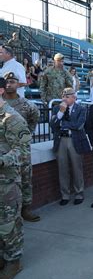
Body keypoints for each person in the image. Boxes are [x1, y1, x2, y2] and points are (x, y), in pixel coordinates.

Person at [0, 77, 31, 279]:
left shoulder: (12, 118)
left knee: (8, 224)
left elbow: (23, 151)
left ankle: (14, 262)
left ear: (1, 91)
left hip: (7, 182)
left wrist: (1, 160)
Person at [3, 72, 40, 221]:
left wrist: (26, 135)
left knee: (25, 179)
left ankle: (26, 209)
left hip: (22, 150)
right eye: (7, 81)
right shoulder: (1, 103)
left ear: (18, 85)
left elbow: (34, 119)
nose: (9, 84)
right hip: (3, 150)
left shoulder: (27, 105)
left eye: (12, 81)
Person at [50, 88, 91, 206]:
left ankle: (79, 193)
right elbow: (52, 125)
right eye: (63, 95)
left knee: (76, 168)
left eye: (67, 96)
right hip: (61, 141)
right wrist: (61, 112)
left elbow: (78, 125)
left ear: (74, 97)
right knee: (62, 169)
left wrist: (62, 124)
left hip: (74, 140)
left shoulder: (81, 109)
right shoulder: (57, 108)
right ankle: (65, 195)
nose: (64, 98)